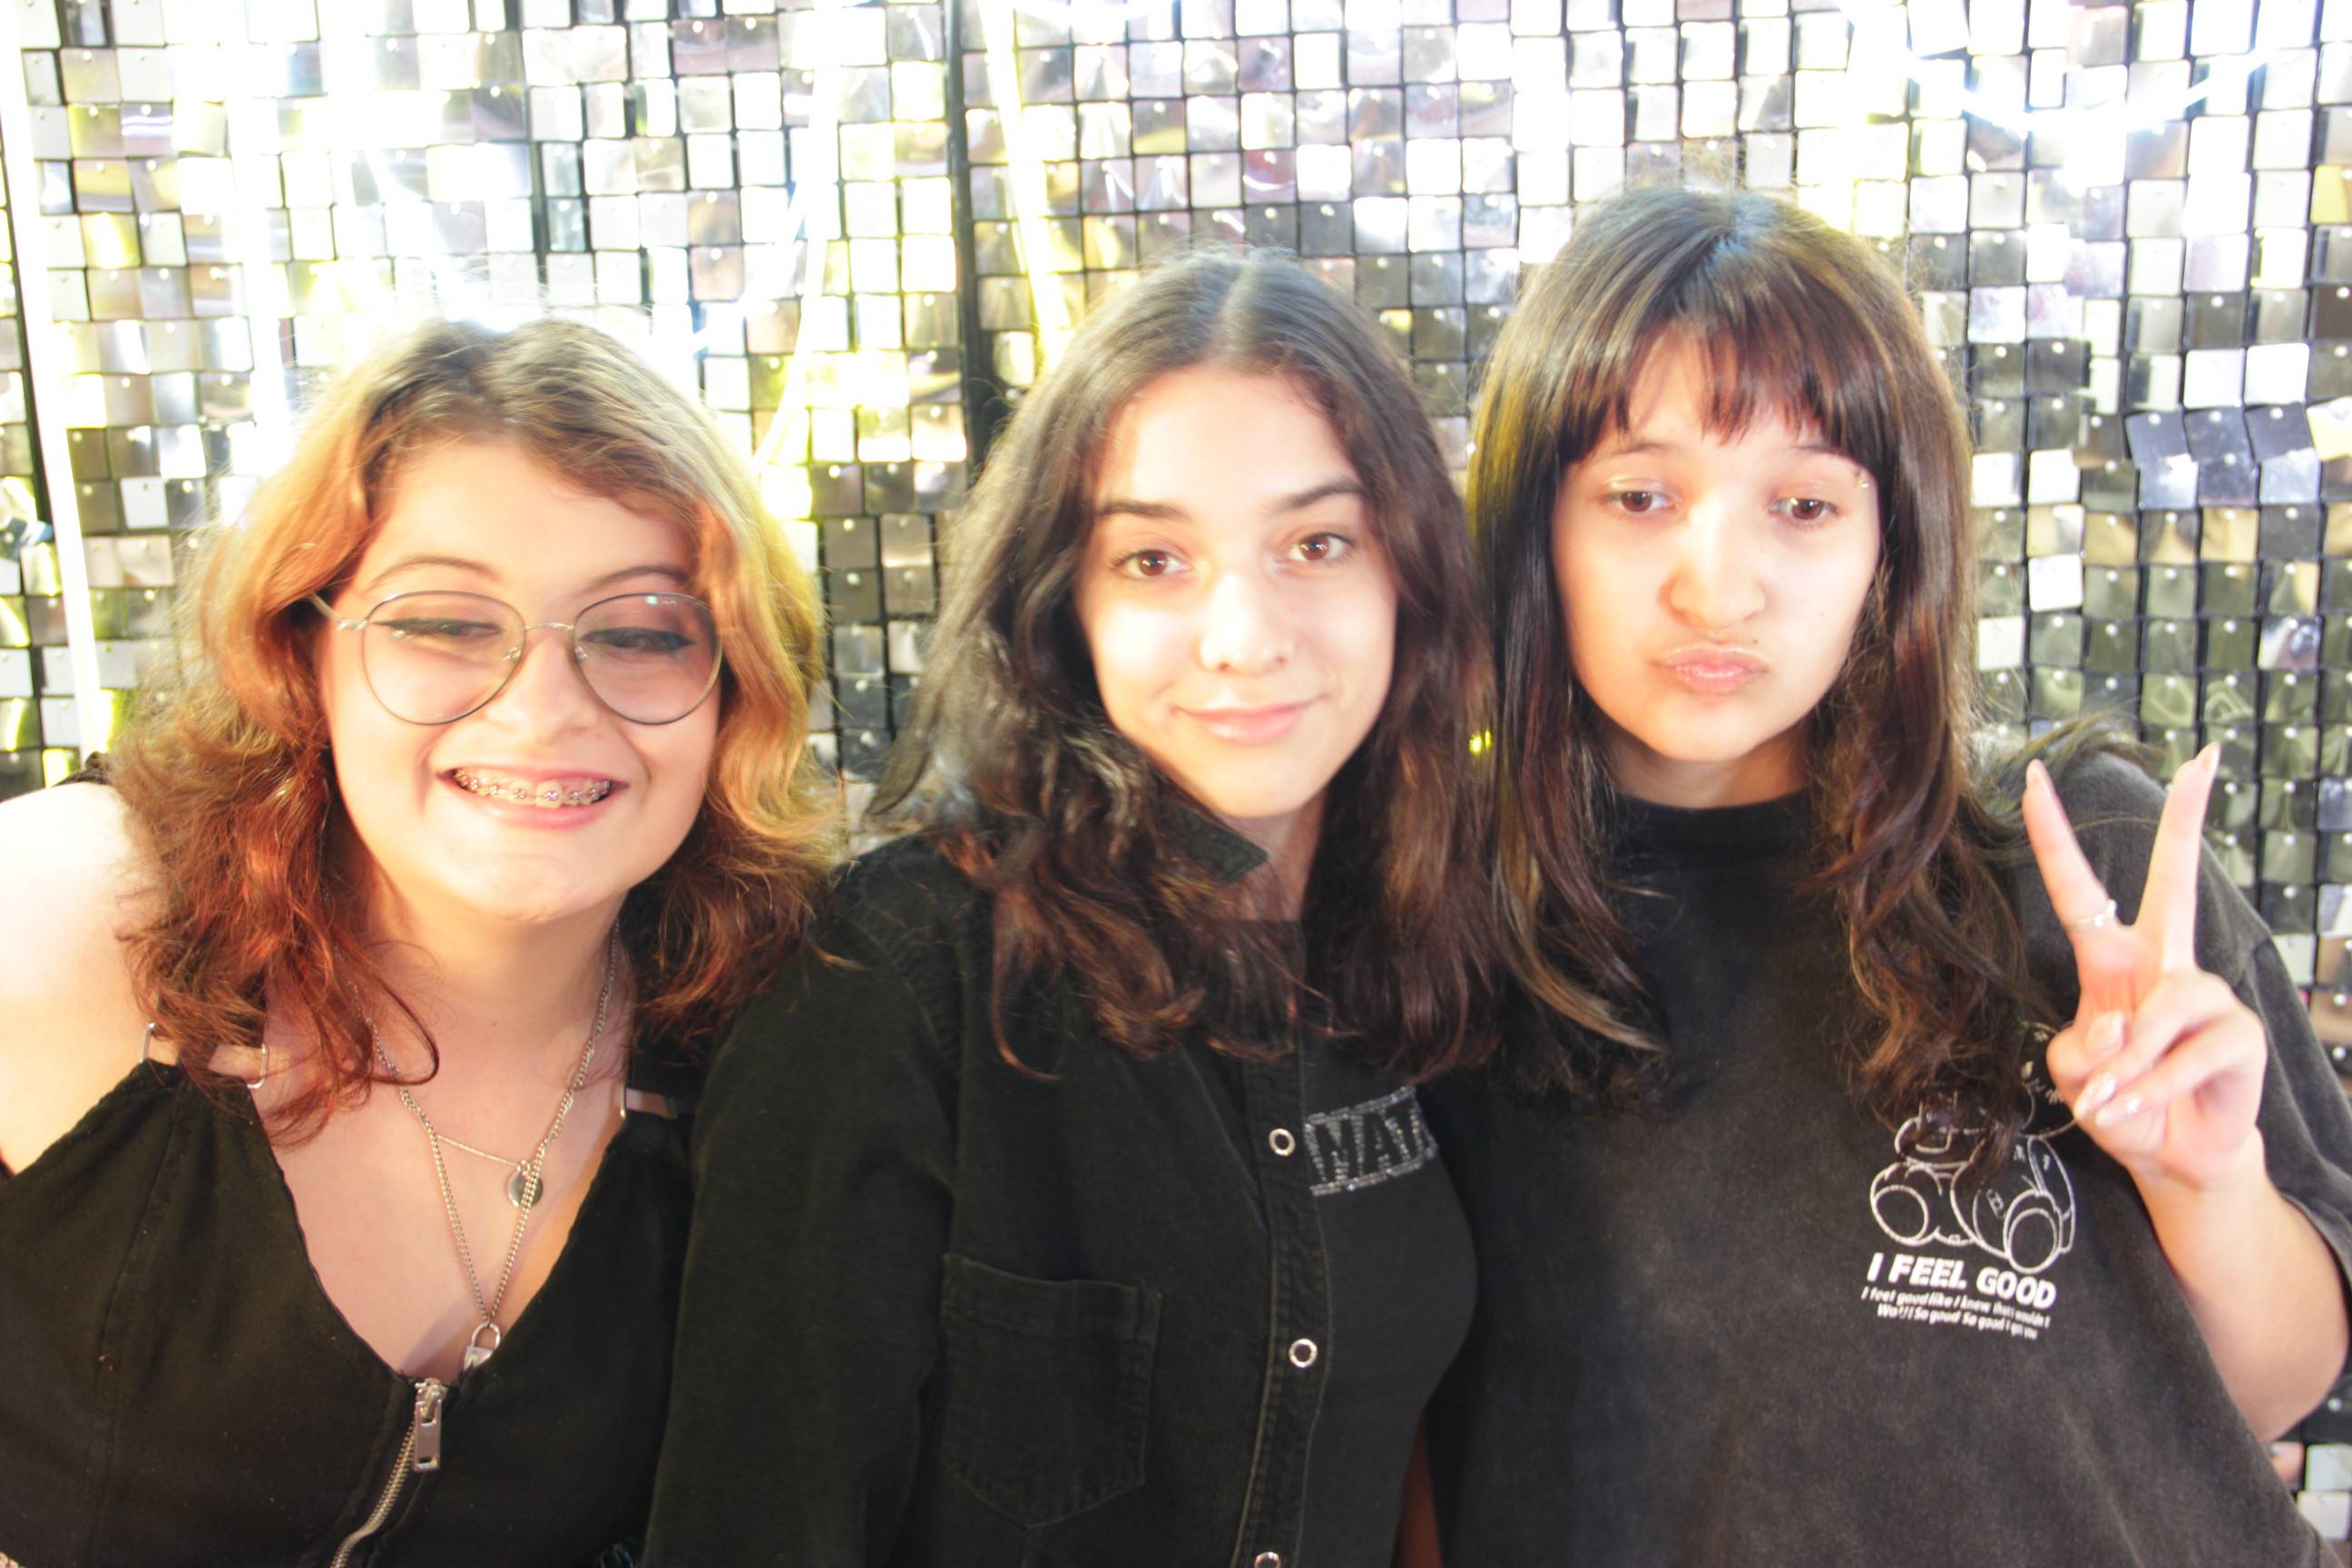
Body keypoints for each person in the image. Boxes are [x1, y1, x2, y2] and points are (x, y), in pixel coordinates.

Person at [1427, 185, 2352, 1564]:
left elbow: (2279, 1387)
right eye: (1640, 495)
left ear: (1889, 543)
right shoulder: (1441, 931)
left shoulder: (2075, 864)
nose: (1718, 586)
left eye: (1804, 503)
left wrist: (2202, 1181)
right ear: (1530, 529)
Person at [643, 249, 1498, 1567]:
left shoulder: (1434, 943)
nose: (1244, 635)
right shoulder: (899, 976)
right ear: (1063, 606)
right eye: (1154, 559)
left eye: (1317, 544)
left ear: (1412, 576)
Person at [0, 318, 832, 1565]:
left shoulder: (776, 1039)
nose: (542, 710)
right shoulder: (62, 918)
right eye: (443, 623)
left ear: (734, 690)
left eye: (642, 631)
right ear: (302, 652)